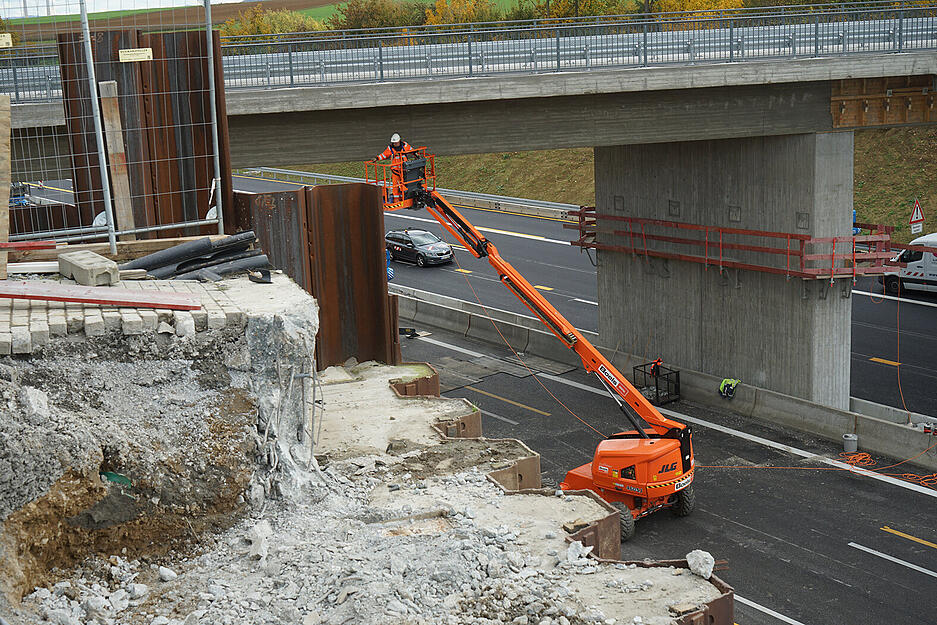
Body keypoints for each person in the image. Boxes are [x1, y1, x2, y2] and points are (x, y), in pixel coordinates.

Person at [374, 134, 413, 202]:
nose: (395, 144)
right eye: (394, 143)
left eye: (396, 142)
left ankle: (404, 198)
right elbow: (384, 155)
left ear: (399, 141)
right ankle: (396, 199)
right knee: (395, 186)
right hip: (395, 170)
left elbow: (412, 150)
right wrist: (377, 158)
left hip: (404, 169)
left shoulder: (405, 145)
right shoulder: (390, 148)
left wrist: (416, 154)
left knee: (404, 184)